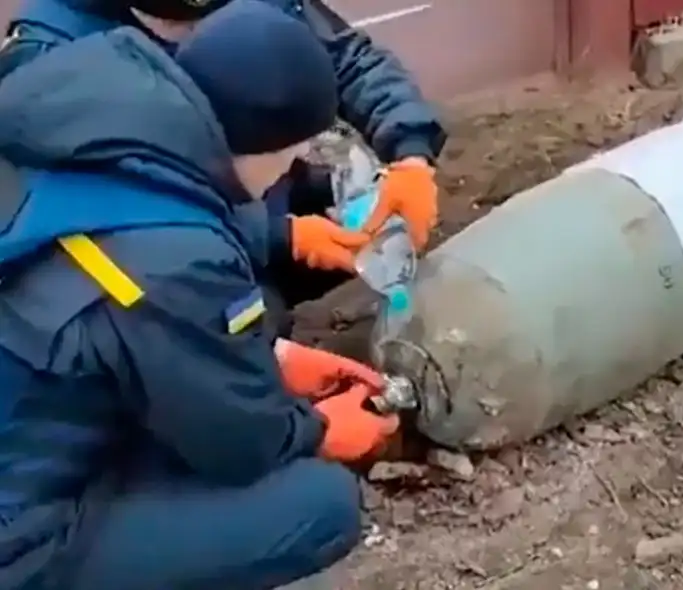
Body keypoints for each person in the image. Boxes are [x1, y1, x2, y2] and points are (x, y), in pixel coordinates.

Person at [0, 1, 400, 588]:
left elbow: (130, 313)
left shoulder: (94, 126)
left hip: (29, 411)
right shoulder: (179, 255)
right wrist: (320, 430)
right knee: (320, 503)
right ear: (271, 143)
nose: (290, 172)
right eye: (294, 157)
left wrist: (277, 358)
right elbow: (238, 443)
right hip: (20, 536)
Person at [0, 0, 445, 337]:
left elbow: (345, 57)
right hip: (152, 243)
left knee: (363, 210)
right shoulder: (52, 52)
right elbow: (110, 223)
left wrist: (410, 153)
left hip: (241, 194)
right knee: (240, 321)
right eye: (179, 29)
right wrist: (276, 235)